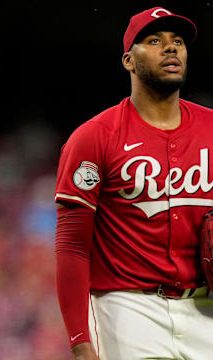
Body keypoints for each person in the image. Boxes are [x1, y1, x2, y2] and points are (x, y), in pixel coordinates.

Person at [54, 7, 213, 360]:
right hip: (127, 309)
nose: (170, 49)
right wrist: (80, 341)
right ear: (128, 60)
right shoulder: (93, 137)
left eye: (177, 42)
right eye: (154, 41)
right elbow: (72, 247)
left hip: (206, 307)